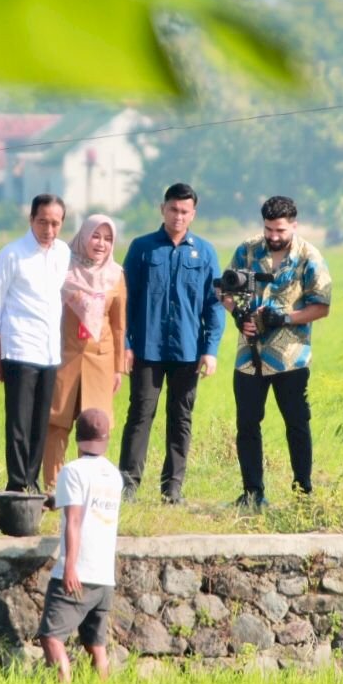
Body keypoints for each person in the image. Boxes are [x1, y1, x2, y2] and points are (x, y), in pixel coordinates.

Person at [221, 196, 332, 508]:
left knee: (296, 425)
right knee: (247, 425)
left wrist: (284, 318)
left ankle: (303, 494)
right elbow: (224, 290)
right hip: (248, 356)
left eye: (280, 230)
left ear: (294, 225)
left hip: (290, 357)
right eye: (268, 229)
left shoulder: (309, 256)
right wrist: (238, 314)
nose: (273, 236)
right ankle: (253, 494)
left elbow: (321, 306)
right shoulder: (247, 249)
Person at [117, 183, 224, 504]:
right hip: (146, 349)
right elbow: (125, 300)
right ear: (162, 208)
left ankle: (172, 490)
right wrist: (125, 344)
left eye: (185, 211)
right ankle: (128, 487)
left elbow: (214, 304)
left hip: (188, 351)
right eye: (173, 209)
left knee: (180, 419)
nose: (178, 216)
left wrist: (211, 350)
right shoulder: (142, 248)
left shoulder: (204, 252)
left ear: (193, 213)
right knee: (140, 415)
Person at [0, 194, 71, 493]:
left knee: (41, 421)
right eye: (43, 222)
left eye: (55, 223)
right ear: (31, 220)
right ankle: (18, 483)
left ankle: (32, 482)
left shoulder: (63, 253)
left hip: (49, 350)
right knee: (19, 422)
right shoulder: (12, 254)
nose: (49, 229)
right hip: (19, 346)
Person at [37, 408, 123, 684]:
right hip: (104, 577)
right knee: (95, 644)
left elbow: (74, 520)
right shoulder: (114, 475)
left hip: (79, 572)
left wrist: (70, 566)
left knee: (51, 637)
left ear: (78, 437)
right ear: (106, 439)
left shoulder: (72, 471)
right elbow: (90, 502)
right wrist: (54, 500)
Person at [42, 214, 126, 491]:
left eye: (108, 238)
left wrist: (118, 368)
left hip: (100, 360)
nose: (101, 243)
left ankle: (88, 487)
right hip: (64, 356)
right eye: (96, 236)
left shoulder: (116, 275)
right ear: (83, 236)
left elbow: (118, 326)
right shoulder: (61, 269)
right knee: (57, 422)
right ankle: (54, 487)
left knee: (95, 424)